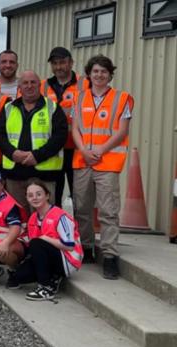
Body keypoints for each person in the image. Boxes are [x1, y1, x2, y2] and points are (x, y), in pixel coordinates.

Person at [71, 55, 134, 279]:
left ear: (110, 74)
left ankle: (109, 255)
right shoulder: (79, 98)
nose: (99, 75)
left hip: (108, 161)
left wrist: (99, 151)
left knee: (108, 211)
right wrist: (85, 151)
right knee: (82, 208)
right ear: (89, 74)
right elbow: (75, 129)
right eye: (95, 71)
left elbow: (121, 131)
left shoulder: (122, 98)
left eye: (104, 72)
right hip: (83, 161)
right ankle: (87, 248)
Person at [0, 70, 68, 214]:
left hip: (44, 174)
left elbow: (60, 136)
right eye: (25, 83)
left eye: (33, 82)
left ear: (39, 85)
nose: (29, 86)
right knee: (17, 218)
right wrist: (12, 153)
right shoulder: (9, 108)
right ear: (19, 87)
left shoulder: (52, 107)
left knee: (44, 218)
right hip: (15, 174)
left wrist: (37, 156)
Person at [12, 180, 83, 301]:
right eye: (30, 195)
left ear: (47, 195)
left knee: (37, 243)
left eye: (39, 194)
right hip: (49, 255)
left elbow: (70, 246)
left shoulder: (60, 216)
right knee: (19, 276)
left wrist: (45, 238)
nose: (35, 198)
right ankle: (53, 277)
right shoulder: (33, 218)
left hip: (68, 259)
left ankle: (46, 287)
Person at [42, 47, 90, 207]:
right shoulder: (43, 86)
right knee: (52, 196)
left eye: (62, 62)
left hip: (77, 149)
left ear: (71, 63)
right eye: (54, 63)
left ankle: (79, 231)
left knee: (80, 197)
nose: (58, 67)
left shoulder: (85, 84)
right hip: (52, 149)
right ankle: (54, 229)